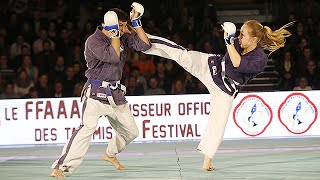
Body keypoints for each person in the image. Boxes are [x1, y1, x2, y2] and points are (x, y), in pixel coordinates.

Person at [143, 20, 292, 171]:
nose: (239, 37)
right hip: (212, 67)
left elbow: (237, 63)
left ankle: (207, 162)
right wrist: (228, 34)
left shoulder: (260, 59)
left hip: (225, 90)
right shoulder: (239, 43)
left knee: (218, 124)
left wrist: (229, 41)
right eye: (240, 33)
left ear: (254, 39)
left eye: (242, 34)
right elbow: (230, 48)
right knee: (181, 54)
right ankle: (143, 40)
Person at [50, 2, 150, 178]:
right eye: (124, 26)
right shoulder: (93, 41)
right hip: (96, 93)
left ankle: (110, 154)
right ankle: (61, 166)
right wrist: (114, 33)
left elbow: (145, 45)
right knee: (86, 129)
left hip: (116, 94)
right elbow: (113, 57)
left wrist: (136, 23)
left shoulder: (121, 36)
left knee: (132, 132)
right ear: (117, 24)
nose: (127, 31)